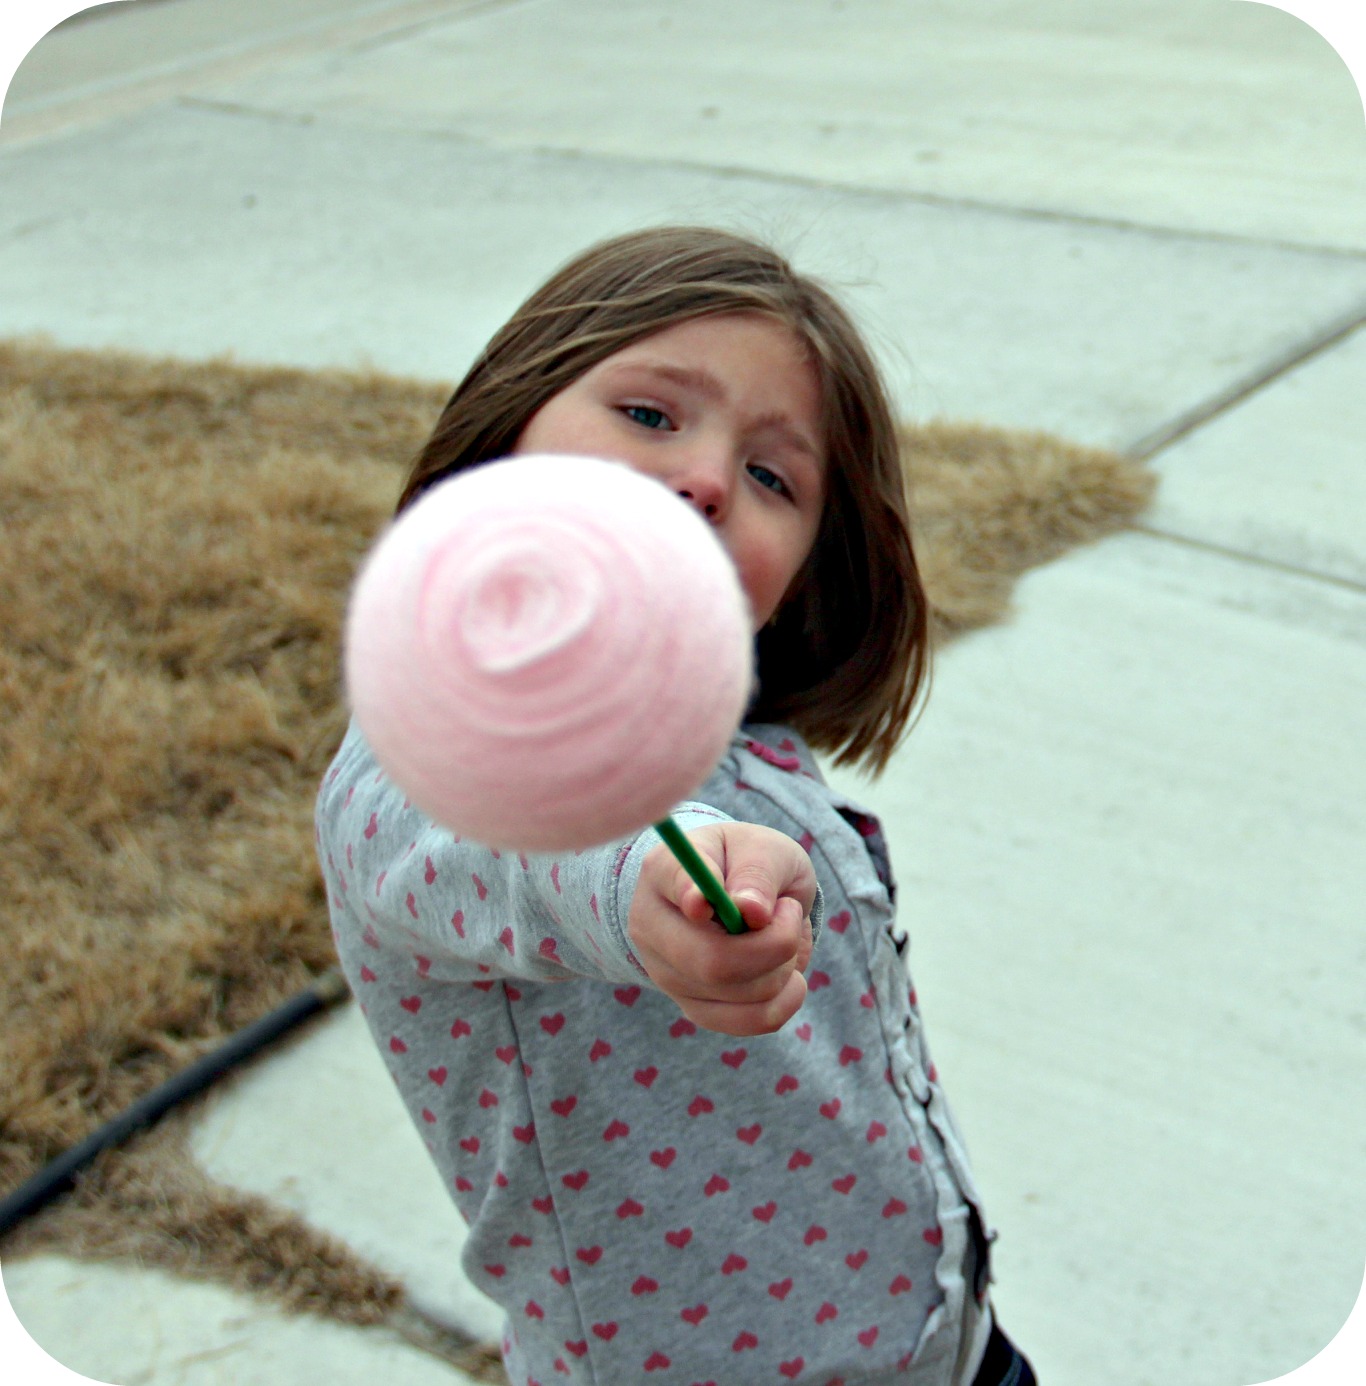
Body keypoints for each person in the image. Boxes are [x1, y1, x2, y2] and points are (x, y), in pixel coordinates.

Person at [315, 226, 1036, 1385]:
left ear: (799, 576)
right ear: (503, 434)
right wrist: (650, 889)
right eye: (650, 415)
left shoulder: (741, 739)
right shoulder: (423, 759)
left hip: (945, 1343)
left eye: (772, 478)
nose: (705, 478)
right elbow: (528, 859)